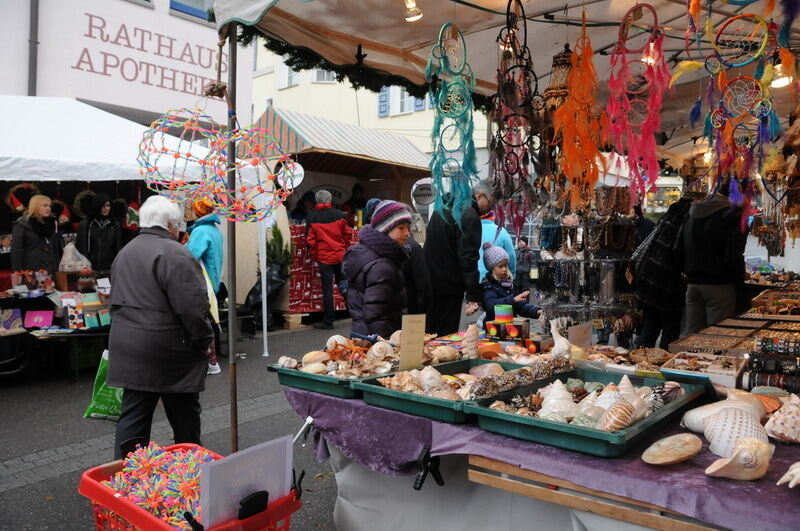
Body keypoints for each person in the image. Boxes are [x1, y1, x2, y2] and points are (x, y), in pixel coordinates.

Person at [108, 195, 213, 460]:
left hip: (127, 343)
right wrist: (204, 340)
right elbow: (192, 307)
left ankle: (128, 474)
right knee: (184, 415)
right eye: (177, 224)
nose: (180, 229)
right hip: (168, 348)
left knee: (133, 415)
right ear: (168, 224)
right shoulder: (175, 253)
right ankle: (189, 470)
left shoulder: (125, 251)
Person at [424, 180, 494, 336]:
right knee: (444, 335)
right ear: (480, 195)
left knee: (429, 334)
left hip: (429, 281)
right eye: (490, 204)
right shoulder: (469, 214)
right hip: (448, 285)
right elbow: (468, 257)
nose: (490, 209)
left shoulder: (444, 205)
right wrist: (473, 295)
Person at [677, 188, 747, 334]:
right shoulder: (731, 215)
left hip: (693, 284)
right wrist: (739, 281)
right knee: (717, 336)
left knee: (691, 336)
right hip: (719, 285)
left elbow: (678, 247)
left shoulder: (691, 213)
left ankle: (687, 357)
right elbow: (733, 254)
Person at [344, 200, 411, 338]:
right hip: (375, 340)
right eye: (401, 228)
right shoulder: (382, 265)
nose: (407, 233)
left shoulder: (369, 253)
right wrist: (388, 342)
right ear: (385, 228)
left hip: (362, 333)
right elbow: (374, 314)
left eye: (408, 228)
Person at [634, 198, 692, 349]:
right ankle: (663, 365)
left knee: (650, 326)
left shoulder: (664, 223)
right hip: (668, 286)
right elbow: (678, 255)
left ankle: (639, 363)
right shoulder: (682, 225)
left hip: (649, 282)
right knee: (670, 330)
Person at [186, 199, 224, 375]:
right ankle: (211, 361)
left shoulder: (200, 231)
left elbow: (189, 257)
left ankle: (211, 361)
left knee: (202, 324)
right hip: (212, 280)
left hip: (202, 282)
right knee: (209, 321)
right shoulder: (215, 230)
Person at [307, 189, 353, 329]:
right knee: (343, 283)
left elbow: (310, 241)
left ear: (317, 201)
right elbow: (347, 234)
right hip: (339, 256)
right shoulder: (339, 214)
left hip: (324, 258)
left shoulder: (312, 216)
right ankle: (355, 312)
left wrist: (316, 255)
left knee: (327, 290)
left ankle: (328, 322)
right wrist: (343, 248)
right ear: (329, 200)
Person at [480, 242, 540, 322]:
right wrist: (513, 300)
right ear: (491, 268)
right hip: (493, 330)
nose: (504, 269)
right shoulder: (487, 285)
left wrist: (537, 311)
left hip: (509, 329)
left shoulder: (509, 284)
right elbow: (491, 306)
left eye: (505, 265)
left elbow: (520, 307)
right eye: (500, 266)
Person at [11, 194, 61, 275]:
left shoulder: (52, 223)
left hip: (51, 268)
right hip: (31, 270)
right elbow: (16, 250)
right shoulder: (22, 224)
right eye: (45, 205)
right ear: (36, 206)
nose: (48, 208)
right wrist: (17, 271)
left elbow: (55, 248)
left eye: (49, 206)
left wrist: (58, 266)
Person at [76, 193, 121, 274]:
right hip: (90, 269)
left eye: (108, 205)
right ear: (97, 206)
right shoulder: (86, 224)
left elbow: (117, 247)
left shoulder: (114, 224)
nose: (106, 208)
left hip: (109, 268)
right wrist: (85, 267)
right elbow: (81, 247)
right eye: (102, 206)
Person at [477, 210, 516, 281]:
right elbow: (511, 256)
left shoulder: (468, 230)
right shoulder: (501, 231)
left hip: (471, 280)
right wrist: (511, 276)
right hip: (495, 280)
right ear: (493, 216)